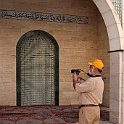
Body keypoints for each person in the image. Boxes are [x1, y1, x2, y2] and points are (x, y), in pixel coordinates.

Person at [72, 59, 104, 124]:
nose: (89, 68)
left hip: (88, 111)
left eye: (91, 67)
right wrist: (78, 80)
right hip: (96, 109)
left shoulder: (92, 80)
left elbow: (77, 88)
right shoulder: (100, 80)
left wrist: (74, 79)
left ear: (94, 68)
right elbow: (85, 88)